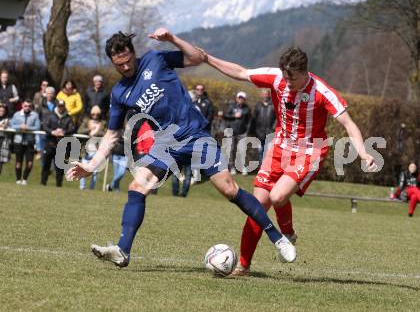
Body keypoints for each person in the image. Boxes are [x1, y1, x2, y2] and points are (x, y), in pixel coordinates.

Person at [67, 28, 296, 268]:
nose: (125, 68)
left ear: (133, 53)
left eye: (127, 61)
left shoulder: (156, 59)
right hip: (167, 144)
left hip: (196, 135)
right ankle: (123, 251)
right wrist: (92, 165)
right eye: (118, 65)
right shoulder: (120, 92)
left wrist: (173, 39)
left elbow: (197, 57)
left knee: (229, 190)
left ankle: (277, 238)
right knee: (138, 185)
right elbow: (112, 134)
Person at [200, 45, 377, 276]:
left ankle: (287, 232)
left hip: (309, 151)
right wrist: (206, 58)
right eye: (285, 77)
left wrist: (363, 153)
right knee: (257, 206)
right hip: (278, 148)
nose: (287, 83)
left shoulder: (322, 91)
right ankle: (243, 267)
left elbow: (348, 124)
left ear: (305, 72)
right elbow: (241, 72)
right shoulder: (277, 78)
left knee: (277, 196)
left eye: (292, 78)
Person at [41, 100, 76, 187]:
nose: (61, 108)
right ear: (57, 106)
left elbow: (72, 128)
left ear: (64, 107)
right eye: (59, 106)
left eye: (62, 106)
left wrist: (64, 132)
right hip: (50, 143)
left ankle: (58, 185)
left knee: (59, 167)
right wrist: (52, 131)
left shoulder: (68, 117)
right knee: (46, 164)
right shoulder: (50, 116)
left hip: (62, 146)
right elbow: (44, 126)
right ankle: (43, 183)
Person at [10, 99, 40, 185]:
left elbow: (37, 127)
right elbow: (12, 125)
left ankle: (25, 179)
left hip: (30, 142)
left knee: (30, 163)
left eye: (29, 106)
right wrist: (20, 126)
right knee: (18, 163)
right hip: (18, 142)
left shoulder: (35, 115)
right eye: (26, 106)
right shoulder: (16, 114)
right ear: (22, 105)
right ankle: (18, 179)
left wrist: (27, 128)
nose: (27, 108)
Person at [78, 106, 106, 190]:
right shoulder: (86, 121)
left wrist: (97, 133)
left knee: (94, 171)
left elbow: (106, 133)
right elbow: (79, 131)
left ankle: (92, 188)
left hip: (97, 150)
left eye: (97, 114)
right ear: (91, 114)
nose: (95, 115)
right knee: (83, 168)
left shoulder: (103, 123)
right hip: (86, 150)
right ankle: (82, 187)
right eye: (93, 114)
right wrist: (88, 130)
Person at [224, 91, 251, 175]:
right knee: (231, 150)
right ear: (237, 98)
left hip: (242, 132)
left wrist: (247, 131)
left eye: (242, 98)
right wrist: (234, 116)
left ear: (245, 99)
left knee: (242, 150)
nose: (240, 99)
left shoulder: (247, 108)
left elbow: (249, 121)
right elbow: (226, 115)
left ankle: (243, 167)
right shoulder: (232, 106)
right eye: (239, 98)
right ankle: (232, 167)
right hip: (231, 131)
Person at [249, 89, 276, 166]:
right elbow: (253, 119)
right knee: (260, 151)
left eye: (266, 94)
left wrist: (273, 128)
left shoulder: (274, 105)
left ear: (269, 95)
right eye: (263, 94)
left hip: (270, 132)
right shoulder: (257, 106)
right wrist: (252, 132)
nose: (265, 96)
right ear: (261, 95)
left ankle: (268, 167)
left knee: (269, 151)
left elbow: (278, 118)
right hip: (259, 133)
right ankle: (262, 168)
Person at [0, 103, 11, 174]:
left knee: (0, 161)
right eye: (0, 110)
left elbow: (6, 125)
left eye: (3, 111)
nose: (1, 112)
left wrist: (5, 125)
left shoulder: (7, 119)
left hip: (2, 140)